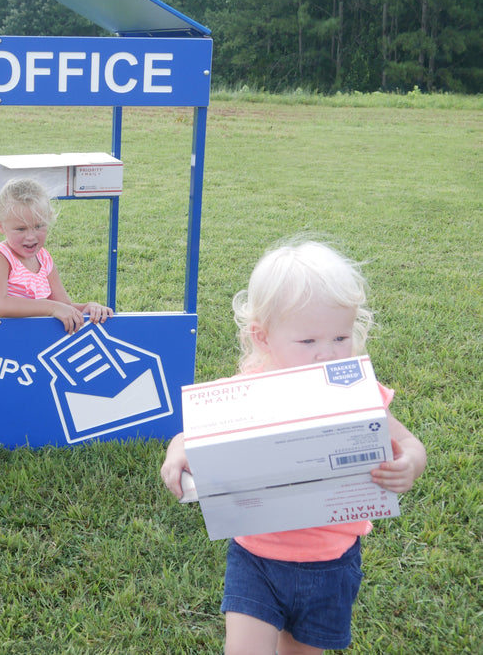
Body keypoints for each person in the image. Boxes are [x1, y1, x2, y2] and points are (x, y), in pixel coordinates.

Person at [160, 238, 426, 655]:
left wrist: (410, 461)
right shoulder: (246, 393)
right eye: (308, 342)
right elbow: (196, 432)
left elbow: (408, 441)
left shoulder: (355, 393)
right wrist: (179, 447)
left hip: (331, 562)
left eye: (341, 337)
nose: (328, 354)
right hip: (256, 558)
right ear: (263, 337)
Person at [0, 178, 113, 333]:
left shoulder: (44, 259)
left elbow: (63, 306)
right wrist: (52, 307)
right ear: (0, 225)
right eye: (21, 229)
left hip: (29, 340)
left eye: (39, 226)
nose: (31, 236)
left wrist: (87, 307)